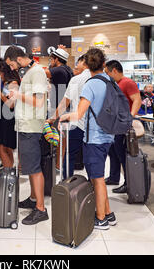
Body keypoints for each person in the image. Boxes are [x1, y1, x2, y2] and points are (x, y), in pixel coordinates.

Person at [60, 47, 116, 230]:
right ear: (104, 64)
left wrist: (65, 116)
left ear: (86, 65)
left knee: (97, 178)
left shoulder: (91, 84)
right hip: (108, 135)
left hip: (94, 138)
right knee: (96, 177)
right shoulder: (110, 81)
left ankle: (100, 218)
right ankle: (108, 212)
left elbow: (79, 113)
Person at [4, 45, 49, 225]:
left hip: (31, 127)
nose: (11, 68)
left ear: (18, 58)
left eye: (11, 64)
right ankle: (32, 198)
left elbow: (39, 102)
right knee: (30, 167)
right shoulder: (30, 72)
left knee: (34, 168)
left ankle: (40, 208)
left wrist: (17, 94)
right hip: (25, 126)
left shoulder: (37, 72)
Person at [47, 54, 90, 179]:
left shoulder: (77, 79)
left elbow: (65, 102)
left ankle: (67, 184)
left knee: (69, 156)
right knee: (91, 159)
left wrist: (52, 118)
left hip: (77, 123)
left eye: (79, 62)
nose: (76, 65)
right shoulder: (100, 78)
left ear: (85, 62)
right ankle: (94, 188)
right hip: (95, 127)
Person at [104, 60, 142, 194]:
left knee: (122, 154)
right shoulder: (115, 83)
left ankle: (128, 183)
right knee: (113, 152)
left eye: (107, 72)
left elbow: (137, 100)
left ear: (114, 70)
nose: (107, 75)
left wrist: (130, 117)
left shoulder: (128, 83)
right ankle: (114, 177)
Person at [0, 60, 20, 171]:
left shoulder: (13, 84)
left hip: (8, 120)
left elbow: (11, 104)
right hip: (3, 119)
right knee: (5, 149)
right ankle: (9, 171)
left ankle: (8, 173)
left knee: (2, 149)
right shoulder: (5, 83)